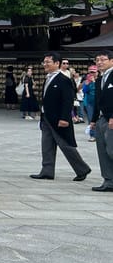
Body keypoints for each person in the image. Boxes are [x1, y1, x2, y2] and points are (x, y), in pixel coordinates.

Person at [29, 52, 92, 182]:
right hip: (47, 117)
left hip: (59, 118)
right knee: (46, 145)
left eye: (48, 62)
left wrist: (64, 118)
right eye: (44, 62)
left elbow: (68, 100)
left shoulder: (64, 80)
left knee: (66, 145)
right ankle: (47, 171)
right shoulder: (48, 78)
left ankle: (82, 169)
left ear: (57, 63)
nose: (45, 64)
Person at [90, 49, 113, 192]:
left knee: (111, 150)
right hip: (101, 119)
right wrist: (93, 120)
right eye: (97, 60)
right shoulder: (99, 79)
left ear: (112, 61)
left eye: (103, 59)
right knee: (103, 151)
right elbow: (97, 101)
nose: (99, 62)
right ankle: (109, 181)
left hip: (111, 118)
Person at [83, 66, 97, 141]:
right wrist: (87, 84)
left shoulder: (99, 80)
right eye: (90, 72)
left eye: (93, 72)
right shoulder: (87, 81)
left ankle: (99, 135)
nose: (92, 74)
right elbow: (84, 91)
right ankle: (93, 135)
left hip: (98, 103)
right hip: (89, 103)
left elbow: (98, 90)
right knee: (91, 118)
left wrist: (94, 82)